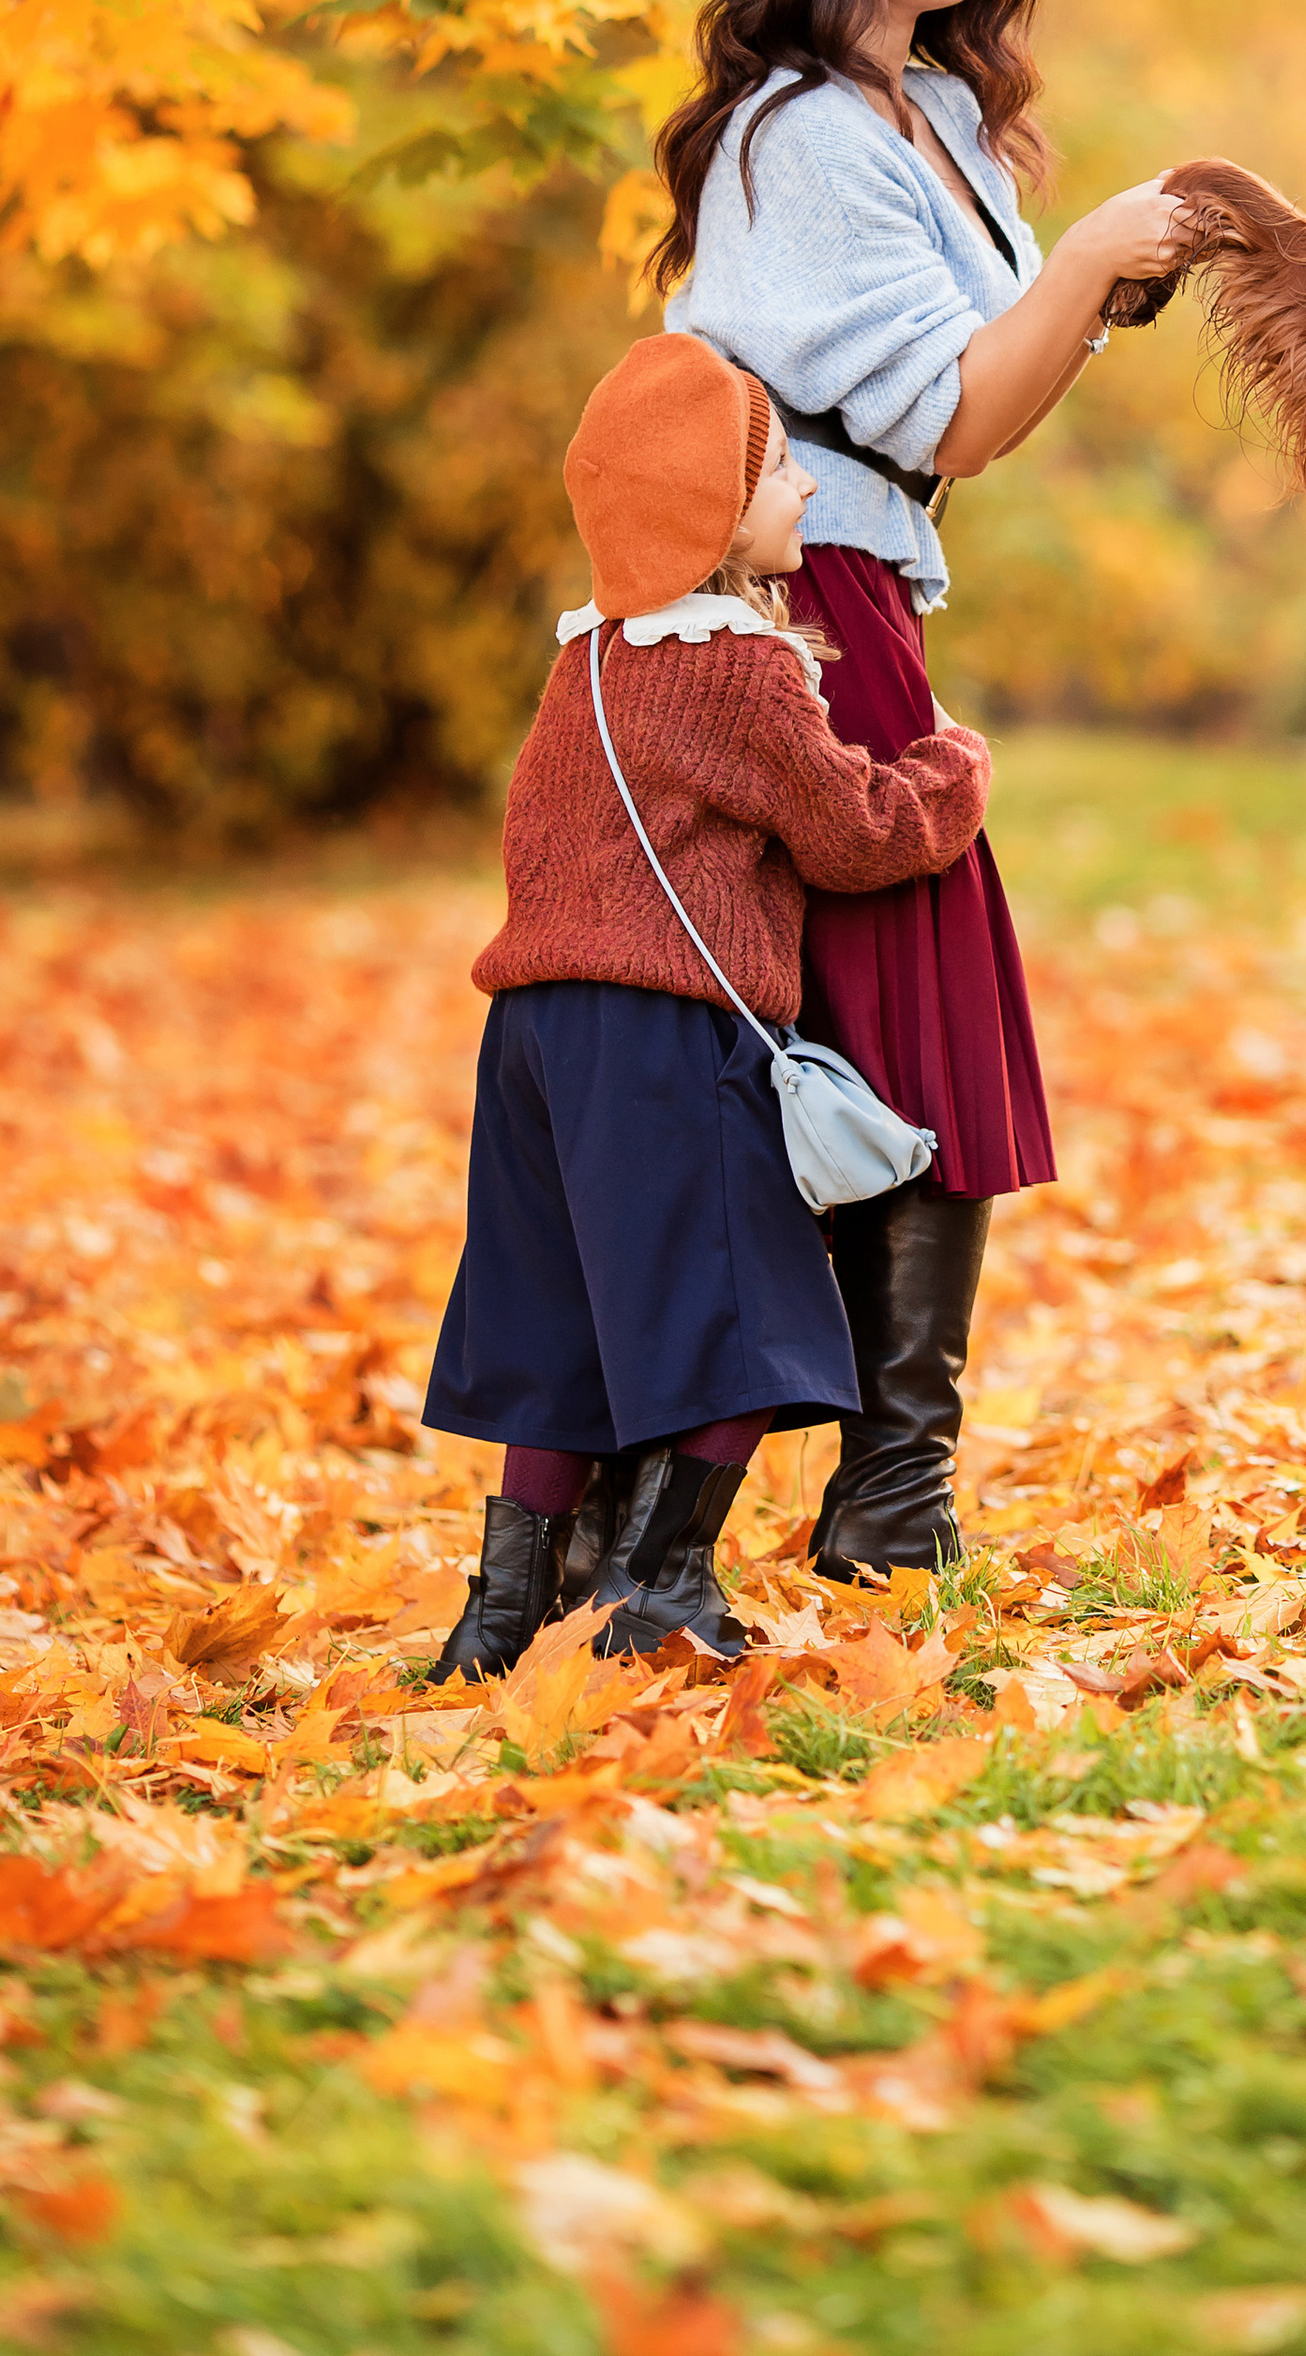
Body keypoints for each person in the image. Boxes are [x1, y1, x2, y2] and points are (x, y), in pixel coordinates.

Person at [654, 0, 1191, 1582]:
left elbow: (977, 413)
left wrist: (1094, 282)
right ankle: (876, 1491)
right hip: (792, 622)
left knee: (908, 1018)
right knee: (894, 1014)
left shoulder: (931, 120)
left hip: (868, 592)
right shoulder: (796, 140)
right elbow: (953, 418)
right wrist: (1098, 255)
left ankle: (889, 1483)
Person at [422, 332, 992, 1679]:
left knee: (557, 1320)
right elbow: (856, 834)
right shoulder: (735, 666)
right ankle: (658, 1585)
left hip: (537, 1038)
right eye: (779, 467)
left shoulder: (592, 665)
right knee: (748, 1312)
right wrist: (952, 767)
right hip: (663, 1034)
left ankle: (499, 1620)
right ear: (708, 506)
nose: (803, 491)